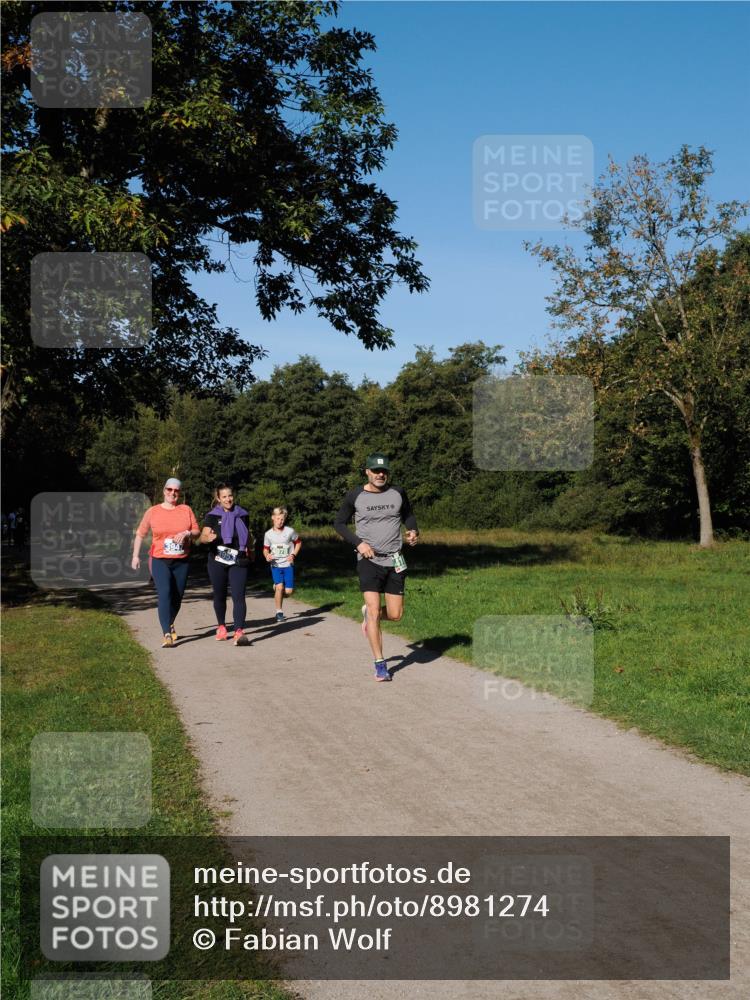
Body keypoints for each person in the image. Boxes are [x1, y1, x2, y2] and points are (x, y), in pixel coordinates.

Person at [334, 454, 418, 682]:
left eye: (384, 472)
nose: (380, 475)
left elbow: (408, 515)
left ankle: (370, 617)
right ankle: (380, 664)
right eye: (375, 471)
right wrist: (359, 543)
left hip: (395, 560)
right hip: (369, 560)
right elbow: (339, 523)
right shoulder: (355, 495)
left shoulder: (398, 492)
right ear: (367, 472)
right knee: (373, 611)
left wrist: (412, 531)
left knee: (395, 614)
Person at [131, 478, 199, 647]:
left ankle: (169, 622)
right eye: (169, 489)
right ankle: (166, 634)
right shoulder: (153, 511)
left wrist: (187, 533)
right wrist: (135, 556)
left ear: (179, 493)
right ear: (163, 491)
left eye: (176, 491)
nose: (172, 493)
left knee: (177, 597)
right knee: (165, 592)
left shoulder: (186, 510)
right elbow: (140, 533)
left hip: (182, 561)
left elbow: (197, 531)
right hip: (159, 559)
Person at [199, 484, 252, 645]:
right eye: (224, 497)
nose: (228, 499)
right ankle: (221, 626)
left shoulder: (242, 514)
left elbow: (247, 535)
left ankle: (238, 632)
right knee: (220, 595)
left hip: (238, 559)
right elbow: (202, 536)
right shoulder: (212, 516)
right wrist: (207, 538)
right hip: (217, 560)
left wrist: (252, 550)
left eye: (230, 496)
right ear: (218, 499)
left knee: (239, 596)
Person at [263, 507, 301, 623]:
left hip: (288, 564)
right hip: (275, 565)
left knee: (288, 591)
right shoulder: (268, 534)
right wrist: (267, 556)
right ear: (273, 518)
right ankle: (279, 612)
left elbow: (298, 542)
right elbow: (265, 549)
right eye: (278, 518)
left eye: (283, 519)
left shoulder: (290, 531)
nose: (280, 521)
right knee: (280, 587)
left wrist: (293, 555)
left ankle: (277, 588)